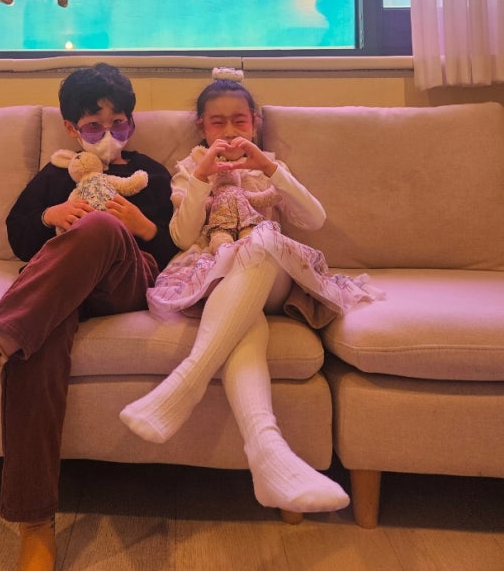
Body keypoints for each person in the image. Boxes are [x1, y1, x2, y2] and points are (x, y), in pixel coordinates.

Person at [0, 63, 176, 571]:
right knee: (33, 343)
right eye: (94, 126)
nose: (109, 134)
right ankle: (34, 524)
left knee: (103, 227)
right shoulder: (56, 175)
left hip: (126, 281)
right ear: (71, 129)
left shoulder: (150, 173)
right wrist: (50, 216)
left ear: (133, 122)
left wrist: (143, 225)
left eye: (120, 123)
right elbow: (18, 232)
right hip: (57, 291)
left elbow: (184, 247)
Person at [119, 68, 382, 515]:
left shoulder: (270, 166)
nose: (228, 131)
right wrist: (201, 179)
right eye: (216, 122)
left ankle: (186, 383)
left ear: (255, 122)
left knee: (259, 242)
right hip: (216, 277)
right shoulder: (187, 171)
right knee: (246, 324)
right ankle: (267, 453)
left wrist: (270, 169)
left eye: (239, 120)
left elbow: (314, 219)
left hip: (274, 274)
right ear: (201, 127)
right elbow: (182, 237)